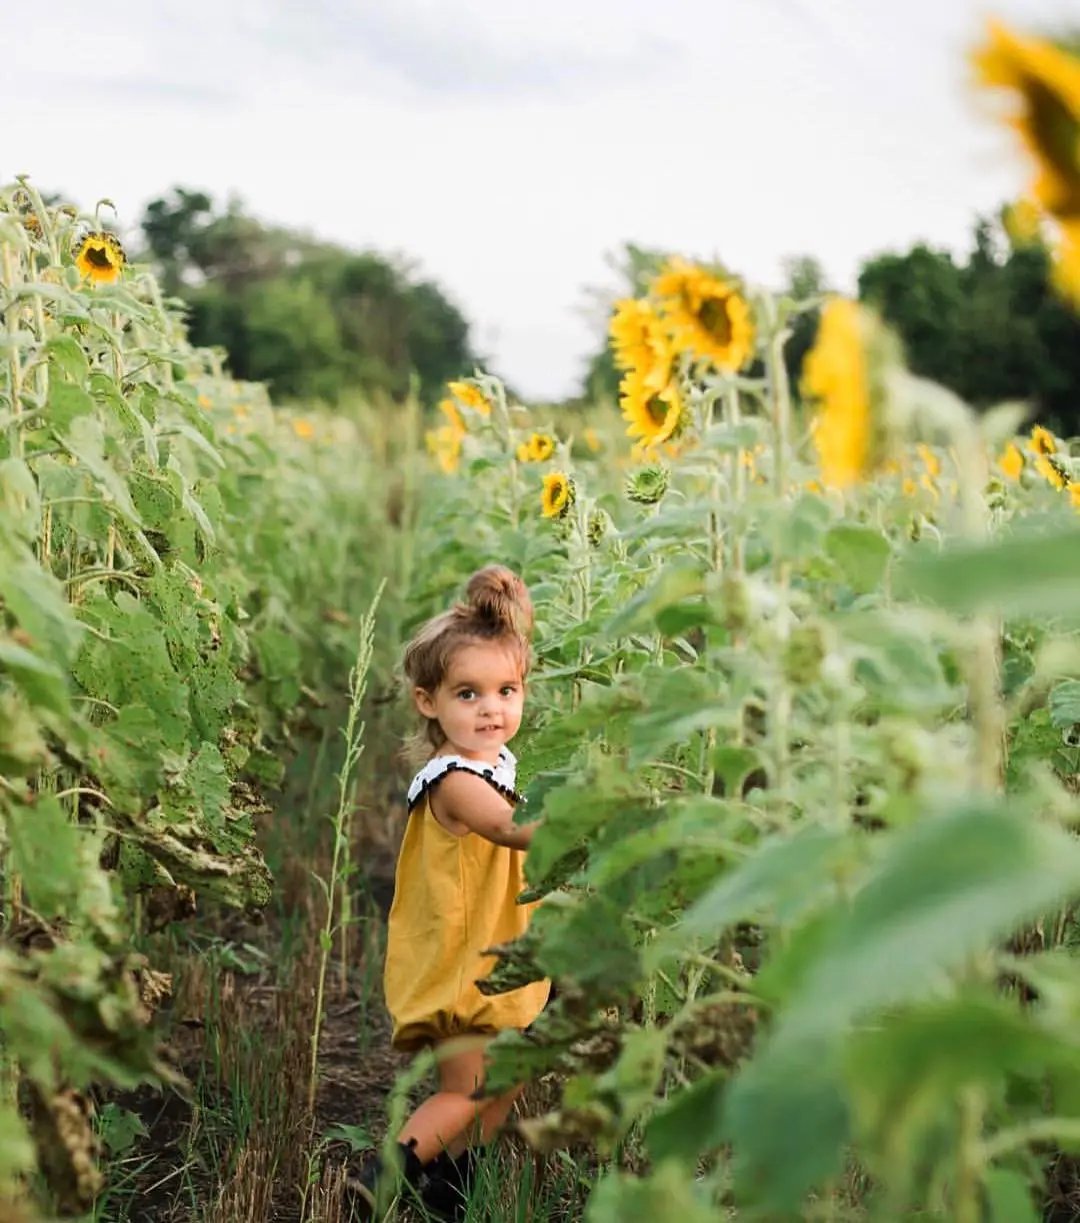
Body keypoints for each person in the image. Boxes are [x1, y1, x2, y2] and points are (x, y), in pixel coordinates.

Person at [345, 565, 551, 1221]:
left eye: (506, 689)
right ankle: (381, 1177)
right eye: (469, 693)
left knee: (503, 1080)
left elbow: (511, 642)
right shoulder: (456, 778)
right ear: (427, 701)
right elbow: (510, 829)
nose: (492, 707)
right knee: (469, 1086)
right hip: (467, 961)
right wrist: (581, 824)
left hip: (495, 949)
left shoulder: (492, 759)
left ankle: (452, 1191)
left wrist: (507, 604)